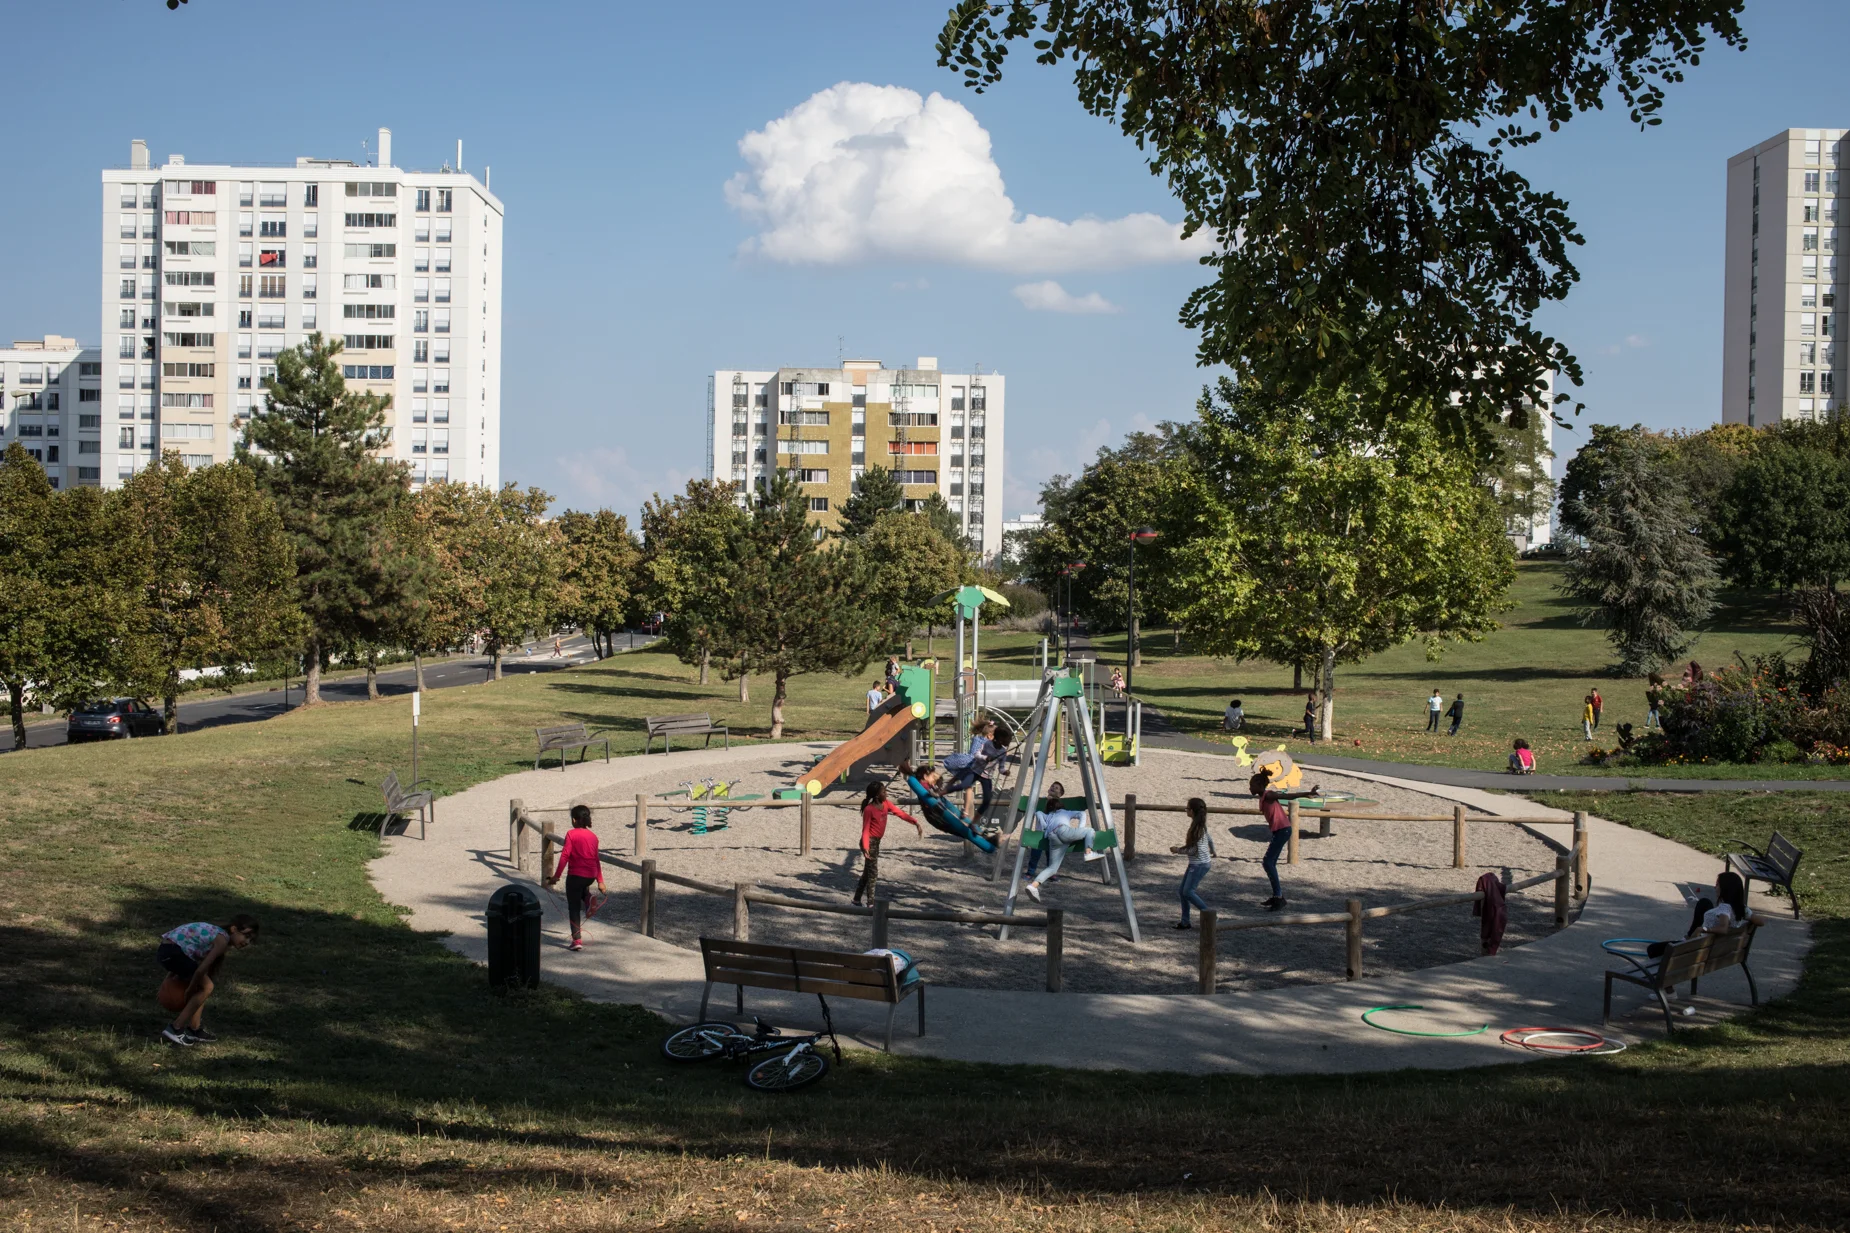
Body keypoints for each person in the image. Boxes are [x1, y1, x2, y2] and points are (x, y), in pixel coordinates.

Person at [156, 914, 259, 1047]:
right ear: (234, 929)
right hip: (173, 953)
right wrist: (190, 989)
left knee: (203, 987)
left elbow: (192, 963)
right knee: (207, 987)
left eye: (251, 940)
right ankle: (175, 1028)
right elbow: (199, 970)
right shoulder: (221, 940)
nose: (247, 942)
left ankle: (194, 1029)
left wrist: (168, 982)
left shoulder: (217, 936)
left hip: (166, 952)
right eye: (246, 936)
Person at [1248, 769, 1322, 910]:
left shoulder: (1269, 795)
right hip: (1279, 831)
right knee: (1269, 863)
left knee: (1268, 863)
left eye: (1252, 785)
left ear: (1259, 785)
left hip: (1283, 831)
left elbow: (1289, 796)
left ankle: (1279, 897)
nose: (1250, 788)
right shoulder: (1263, 796)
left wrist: (1307, 793)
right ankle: (1277, 896)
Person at [1022, 781, 1103, 903]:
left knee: (1052, 868)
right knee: (1090, 830)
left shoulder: (1047, 815)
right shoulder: (1064, 811)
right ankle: (1088, 852)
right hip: (1063, 831)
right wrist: (1080, 829)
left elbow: (1040, 817)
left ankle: (1033, 886)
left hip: (1052, 837)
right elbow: (1081, 813)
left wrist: (1044, 828)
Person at [546, 804, 607, 952]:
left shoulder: (571, 834)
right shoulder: (593, 837)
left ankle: (577, 940)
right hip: (590, 876)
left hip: (576, 875)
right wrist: (600, 881)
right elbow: (596, 859)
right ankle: (587, 898)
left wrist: (556, 876)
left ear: (574, 820)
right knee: (581, 888)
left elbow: (565, 856)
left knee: (573, 908)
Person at [853, 780, 921, 906]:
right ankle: (871, 903)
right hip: (869, 842)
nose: (886, 793)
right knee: (873, 872)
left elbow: (900, 813)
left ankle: (856, 899)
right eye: (884, 792)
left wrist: (915, 822)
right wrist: (866, 847)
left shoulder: (886, 804)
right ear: (877, 795)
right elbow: (866, 830)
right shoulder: (869, 809)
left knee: (867, 872)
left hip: (876, 842)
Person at [1170, 797, 1217, 929]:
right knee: (1182, 891)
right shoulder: (1200, 826)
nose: (1186, 810)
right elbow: (1210, 839)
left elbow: (1192, 850)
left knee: (1188, 892)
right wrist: (1213, 851)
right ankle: (1185, 921)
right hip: (1196, 863)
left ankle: (1210, 915)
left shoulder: (1196, 829)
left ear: (1192, 811)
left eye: (1187, 808)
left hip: (1199, 864)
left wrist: (1177, 850)